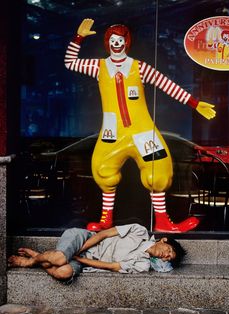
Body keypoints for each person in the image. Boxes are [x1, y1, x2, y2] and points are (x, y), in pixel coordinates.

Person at [64, 19, 216, 233]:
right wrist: (78, 38)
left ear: (127, 42)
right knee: (103, 170)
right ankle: (106, 220)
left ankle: (163, 222)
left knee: (159, 170)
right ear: (108, 43)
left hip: (142, 131)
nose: (117, 44)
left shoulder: (139, 67)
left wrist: (195, 103)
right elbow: (70, 62)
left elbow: (167, 85)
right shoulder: (98, 67)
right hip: (112, 132)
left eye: (121, 40)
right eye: (113, 40)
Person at [8, 223, 186, 284]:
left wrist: (77, 258)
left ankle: (38, 257)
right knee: (61, 258)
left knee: (64, 272)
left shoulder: (143, 265)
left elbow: (110, 266)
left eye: (169, 258)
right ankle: (29, 262)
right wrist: (78, 250)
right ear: (163, 240)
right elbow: (104, 234)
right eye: (169, 250)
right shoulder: (139, 231)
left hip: (85, 260)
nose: (166, 255)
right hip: (84, 240)